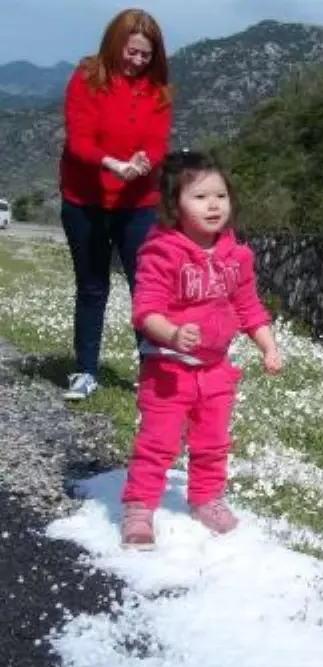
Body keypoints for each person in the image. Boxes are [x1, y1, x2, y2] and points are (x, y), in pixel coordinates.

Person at [119, 150, 283, 550]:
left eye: (221, 196)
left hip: (215, 370)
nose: (214, 205)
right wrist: (172, 335)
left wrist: (268, 346)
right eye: (200, 197)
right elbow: (146, 311)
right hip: (168, 371)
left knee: (213, 442)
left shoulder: (236, 256)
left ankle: (206, 499)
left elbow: (248, 307)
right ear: (174, 205)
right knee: (157, 443)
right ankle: (139, 508)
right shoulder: (161, 252)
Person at [59, 8, 173, 401]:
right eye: (133, 52)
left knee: (147, 288)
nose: (138, 61)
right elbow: (79, 140)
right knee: (92, 287)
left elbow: (158, 142)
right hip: (85, 201)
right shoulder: (87, 78)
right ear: (115, 44)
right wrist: (111, 164)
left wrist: (144, 163)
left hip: (138, 203)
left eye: (146, 55)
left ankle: (153, 375)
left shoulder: (157, 91)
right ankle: (86, 370)